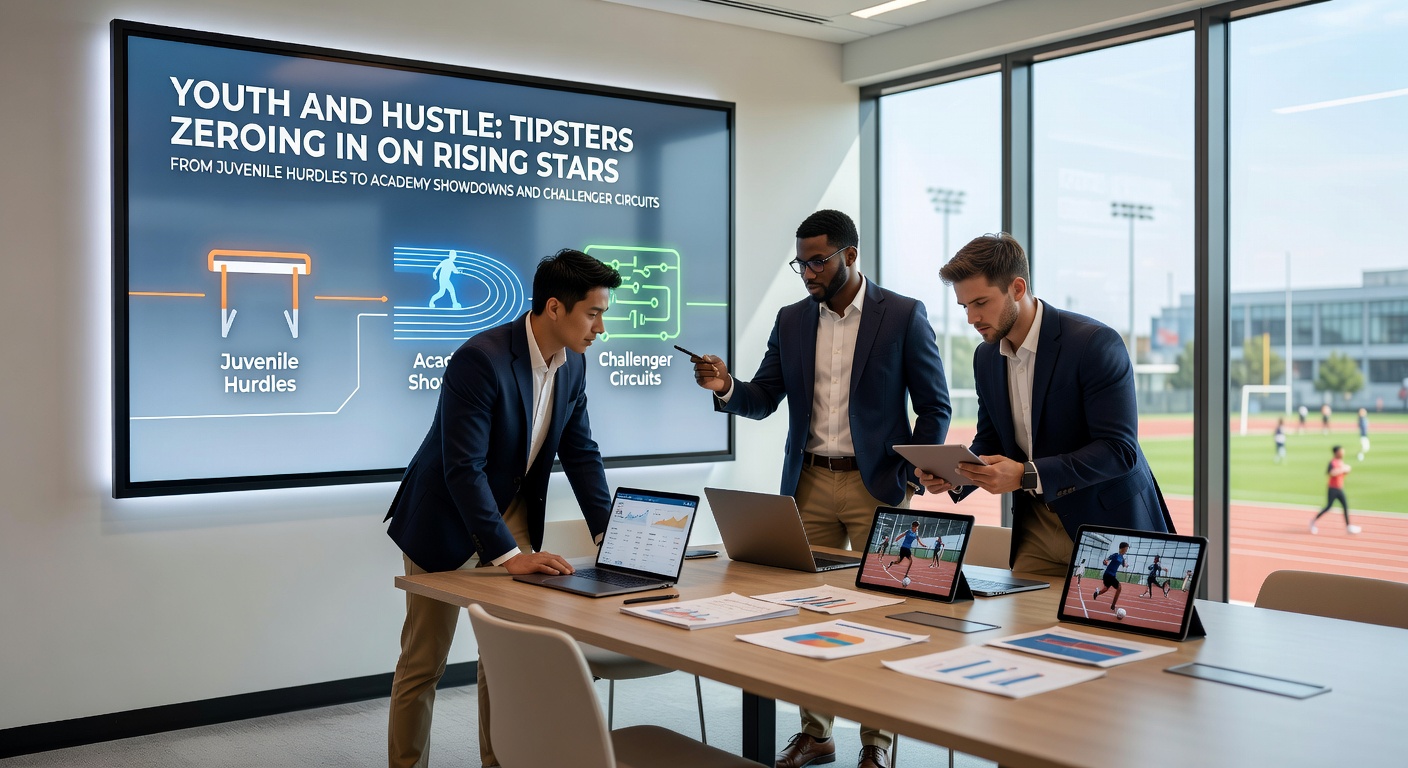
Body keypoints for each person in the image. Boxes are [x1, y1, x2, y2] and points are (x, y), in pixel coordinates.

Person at [691, 209, 951, 768]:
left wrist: (911, 472)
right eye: (801, 262)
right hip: (807, 482)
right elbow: (762, 397)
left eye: (818, 260)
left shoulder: (903, 315)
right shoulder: (791, 320)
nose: (807, 272)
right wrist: (726, 386)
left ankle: (876, 745)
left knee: (880, 615)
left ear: (850, 256)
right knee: (807, 613)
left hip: (877, 484)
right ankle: (817, 733)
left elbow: (934, 406)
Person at [384, 249, 621, 768]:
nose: (600, 327)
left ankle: (500, 761)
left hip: (510, 508)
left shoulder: (573, 364)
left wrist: (610, 536)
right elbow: (461, 468)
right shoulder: (481, 358)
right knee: (424, 659)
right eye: (594, 313)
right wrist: (507, 554)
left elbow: (581, 454)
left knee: (505, 657)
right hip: (445, 515)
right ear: (555, 308)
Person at [915, 233, 1173, 578]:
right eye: (965, 307)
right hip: (1035, 530)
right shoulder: (986, 356)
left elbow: (1119, 450)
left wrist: (1026, 474)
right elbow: (991, 440)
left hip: (1107, 526)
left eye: (980, 302)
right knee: (1021, 628)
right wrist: (956, 475)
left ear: (1017, 288)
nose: (971, 318)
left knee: (1114, 632)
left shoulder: (1094, 344)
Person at [1310, 445, 1360, 535]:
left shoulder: (1341, 461)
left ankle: (1348, 526)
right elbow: (1331, 473)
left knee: (1345, 506)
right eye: (1341, 451)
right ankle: (1313, 521)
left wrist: (1346, 470)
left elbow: (1342, 473)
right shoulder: (1332, 462)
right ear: (1336, 452)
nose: (1343, 453)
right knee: (1328, 507)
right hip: (1332, 489)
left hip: (1340, 488)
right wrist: (1342, 469)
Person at [1092, 542, 1129, 615]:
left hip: (1111, 575)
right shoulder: (1115, 555)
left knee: (1105, 589)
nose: (1126, 550)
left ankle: (1097, 593)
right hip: (1109, 574)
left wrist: (1126, 565)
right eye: (1126, 549)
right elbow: (1106, 560)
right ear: (1122, 548)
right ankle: (1113, 605)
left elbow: (1124, 564)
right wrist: (1105, 562)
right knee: (1119, 587)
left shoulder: (1122, 559)